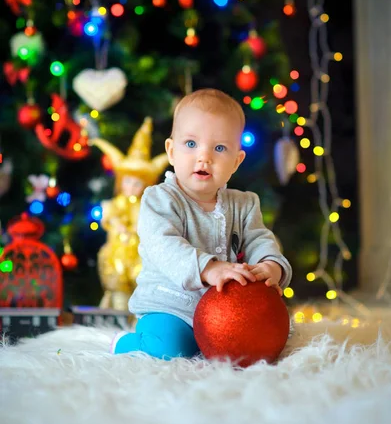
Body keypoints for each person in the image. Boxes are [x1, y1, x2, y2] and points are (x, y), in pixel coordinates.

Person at [111, 88, 292, 359]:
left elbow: (259, 239)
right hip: (171, 305)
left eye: (219, 148)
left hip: (227, 310)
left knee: (259, 346)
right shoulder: (159, 199)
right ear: (171, 151)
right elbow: (163, 245)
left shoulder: (244, 204)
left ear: (236, 161)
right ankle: (129, 343)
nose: (204, 157)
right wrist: (209, 268)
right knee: (171, 349)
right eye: (191, 144)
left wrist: (270, 266)